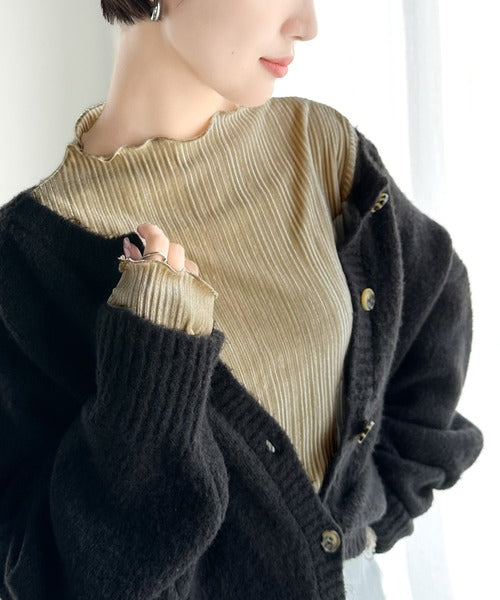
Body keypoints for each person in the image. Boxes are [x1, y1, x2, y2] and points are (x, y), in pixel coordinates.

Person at [0, 0, 483, 599]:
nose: (307, 24)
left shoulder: (320, 150)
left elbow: (437, 312)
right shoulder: (29, 257)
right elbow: (56, 576)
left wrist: (367, 516)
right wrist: (154, 358)